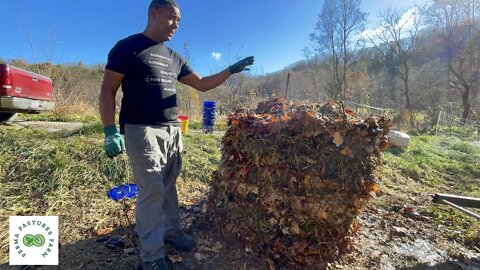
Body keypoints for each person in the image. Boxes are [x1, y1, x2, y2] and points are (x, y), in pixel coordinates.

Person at [98, 0, 254, 269]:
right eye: (172, 18)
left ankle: (172, 232)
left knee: (168, 186)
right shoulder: (128, 47)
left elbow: (203, 84)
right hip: (141, 129)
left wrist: (231, 69)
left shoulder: (173, 57)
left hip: (172, 130)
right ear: (153, 13)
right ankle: (151, 257)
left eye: (179, 21)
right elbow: (107, 90)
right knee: (152, 189)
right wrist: (110, 130)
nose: (176, 25)